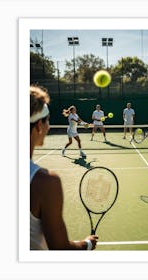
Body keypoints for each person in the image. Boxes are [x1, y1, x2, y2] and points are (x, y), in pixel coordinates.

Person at [30, 85, 98, 250]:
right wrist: (87, 244)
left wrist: (85, 123)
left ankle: (76, 150)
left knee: (76, 142)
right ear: (39, 125)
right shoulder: (45, 183)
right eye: (47, 121)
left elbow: (79, 120)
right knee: (72, 142)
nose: (49, 127)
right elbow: (60, 249)